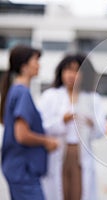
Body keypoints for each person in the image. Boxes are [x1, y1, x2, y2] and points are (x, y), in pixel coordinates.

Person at [39, 54, 107, 200]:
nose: (71, 75)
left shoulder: (92, 99)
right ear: (61, 72)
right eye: (68, 70)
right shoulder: (50, 96)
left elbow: (101, 130)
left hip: (80, 153)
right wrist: (62, 120)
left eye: (76, 70)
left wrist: (91, 123)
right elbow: (42, 126)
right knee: (58, 192)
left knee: (79, 192)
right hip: (58, 151)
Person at [0, 44, 59, 200]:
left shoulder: (15, 90)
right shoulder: (22, 93)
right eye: (36, 61)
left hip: (17, 168)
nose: (39, 65)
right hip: (23, 170)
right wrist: (47, 141)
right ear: (24, 66)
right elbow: (21, 135)